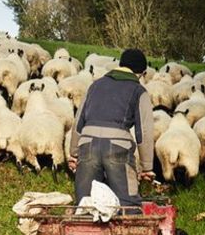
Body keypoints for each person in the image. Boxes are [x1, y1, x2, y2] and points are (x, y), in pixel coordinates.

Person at [67, 48, 156, 209]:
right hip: (118, 148)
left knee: (85, 203)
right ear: (141, 73)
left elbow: (78, 122)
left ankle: (81, 232)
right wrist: (147, 167)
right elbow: (144, 131)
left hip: (87, 146)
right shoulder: (139, 91)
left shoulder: (95, 85)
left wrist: (73, 153)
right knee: (127, 204)